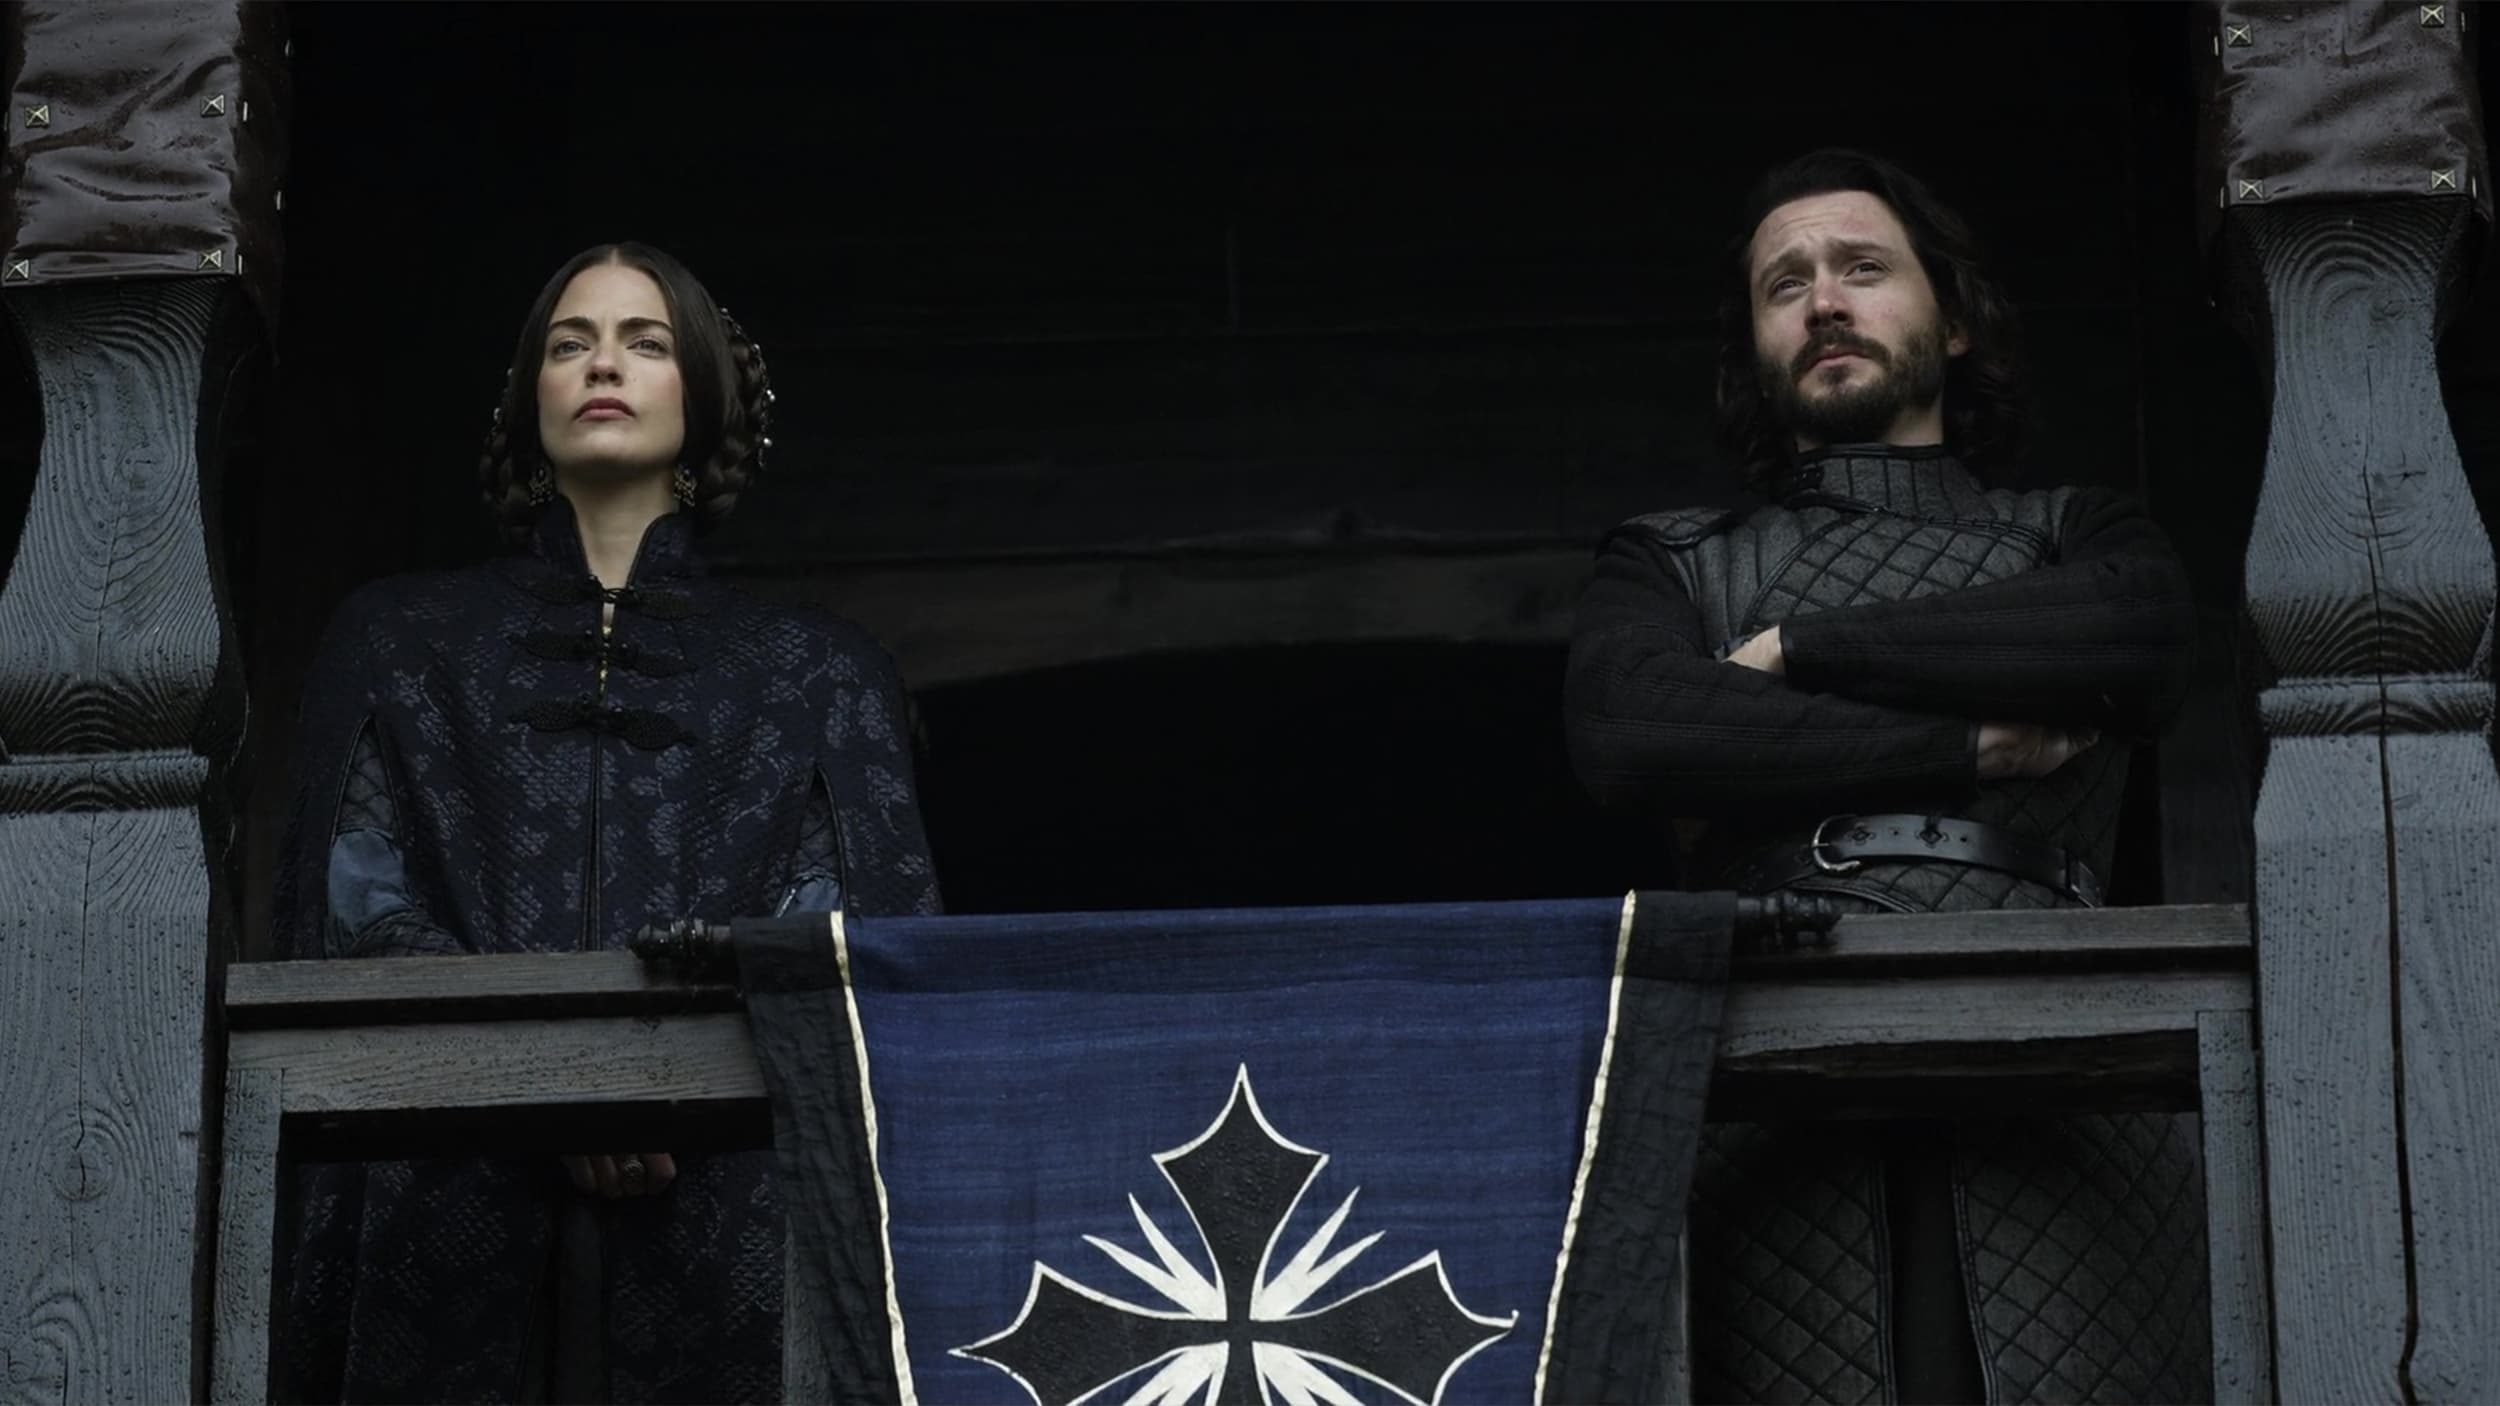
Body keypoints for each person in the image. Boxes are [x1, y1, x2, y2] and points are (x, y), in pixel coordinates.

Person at [1565, 151, 2205, 1403]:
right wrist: (1960, 745)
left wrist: (1800, 649)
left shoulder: (2074, 532)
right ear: (1755, 348)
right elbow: (1631, 731)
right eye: (1785, 284)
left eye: (1862, 267)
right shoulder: (1673, 560)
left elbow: (2137, 640)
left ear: (1951, 320)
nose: (1824, 301)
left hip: (2061, 1079)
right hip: (1775, 1080)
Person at [272, 242, 941, 1402]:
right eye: (569, 342)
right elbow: (357, 911)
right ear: (529, 394)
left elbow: (844, 945)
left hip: (728, 1226)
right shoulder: (399, 641)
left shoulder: (816, 673)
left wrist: (652, 1086)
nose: (602, 365)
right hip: (441, 1219)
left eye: (645, 341)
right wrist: (558, 1083)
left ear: (705, 393)